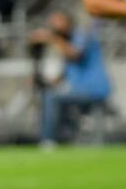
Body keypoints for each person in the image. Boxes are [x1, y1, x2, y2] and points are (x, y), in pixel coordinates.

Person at [30, 11, 112, 147]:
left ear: (67, 21)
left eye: (57, 22)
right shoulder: (67, 41)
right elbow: (70, 69)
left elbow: (75, 55)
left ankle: (48, 141)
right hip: (77, 88)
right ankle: (65, 137)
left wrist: (51, 38)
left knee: (51, 97)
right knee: (47, 93)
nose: (54, 27)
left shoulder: (81, 35)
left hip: (93, 88)